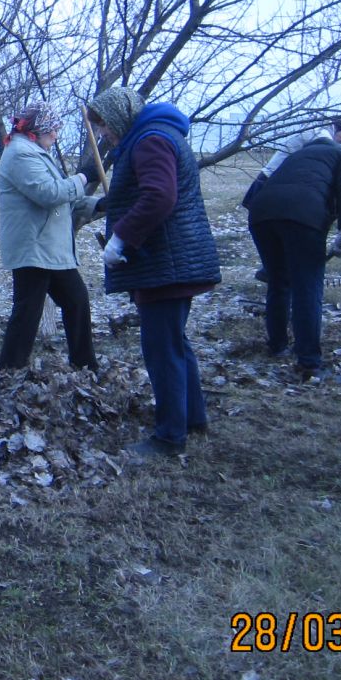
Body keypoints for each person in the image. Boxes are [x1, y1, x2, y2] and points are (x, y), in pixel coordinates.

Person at [87, 86, 221, 459]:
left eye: (105, 127)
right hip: (172, 259)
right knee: (175, 343)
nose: (104, 135)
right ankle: (192, 418)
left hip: (167, 261)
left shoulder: (151, 140)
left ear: (118, 118)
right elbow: (143, 191)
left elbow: (160, 196)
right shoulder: (155, 135)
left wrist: (121, 240)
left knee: (161, 349)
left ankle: (168, 437)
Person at [245, 122, 341, 380]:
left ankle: (276, 346)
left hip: (262, 215)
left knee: (279, 281)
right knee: (307, 287)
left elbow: (267, 178)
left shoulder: (297, 155)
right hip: (303, 217)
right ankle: (308, 362)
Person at [0, 100, 102, 372]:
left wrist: (96, 205)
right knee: (28, 310)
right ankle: (10, 369)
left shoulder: (34, 151)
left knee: (75, 301)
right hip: (33, 246)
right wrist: (83, 177)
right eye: (52, 129)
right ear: (38, 128)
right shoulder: (20, 153)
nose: (56, 136)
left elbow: (61, 199)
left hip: (48, 248)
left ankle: (84, 365)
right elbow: (49, 194)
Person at [243, 117, 341, 281]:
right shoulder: (317, 134)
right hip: (273, 179)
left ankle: (273, 268)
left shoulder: (314, 130)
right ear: (337, 129)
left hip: (277, 180)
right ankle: (271, 267)